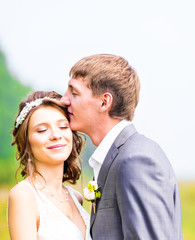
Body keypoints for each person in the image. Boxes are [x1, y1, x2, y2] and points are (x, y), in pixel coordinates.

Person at [61, 54, 183, 240]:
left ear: (104, 102)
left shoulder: (136, 160)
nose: (64, 100)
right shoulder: (119, 157)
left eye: (74, 93)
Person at [8, 91, 92, 240]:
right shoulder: (24, 196)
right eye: (42, 130)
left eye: (63, 126)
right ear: (26, 144)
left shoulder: (75, 197)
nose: (55, 135)